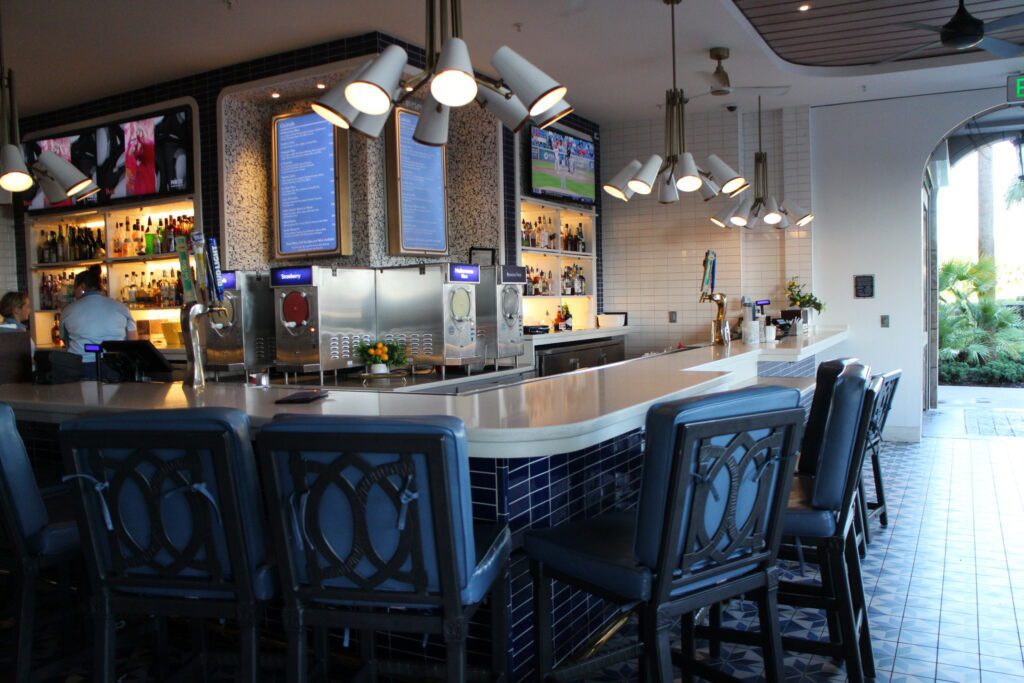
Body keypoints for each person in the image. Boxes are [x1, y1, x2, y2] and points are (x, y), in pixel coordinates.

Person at [60, 266, 137, 376]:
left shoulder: (68, 310)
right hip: (114, 367)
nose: (73, 292)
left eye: (74, 288)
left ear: (82, 286)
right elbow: (133, 343)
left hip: (80, 367)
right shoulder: (121, 308)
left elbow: (66, 342)